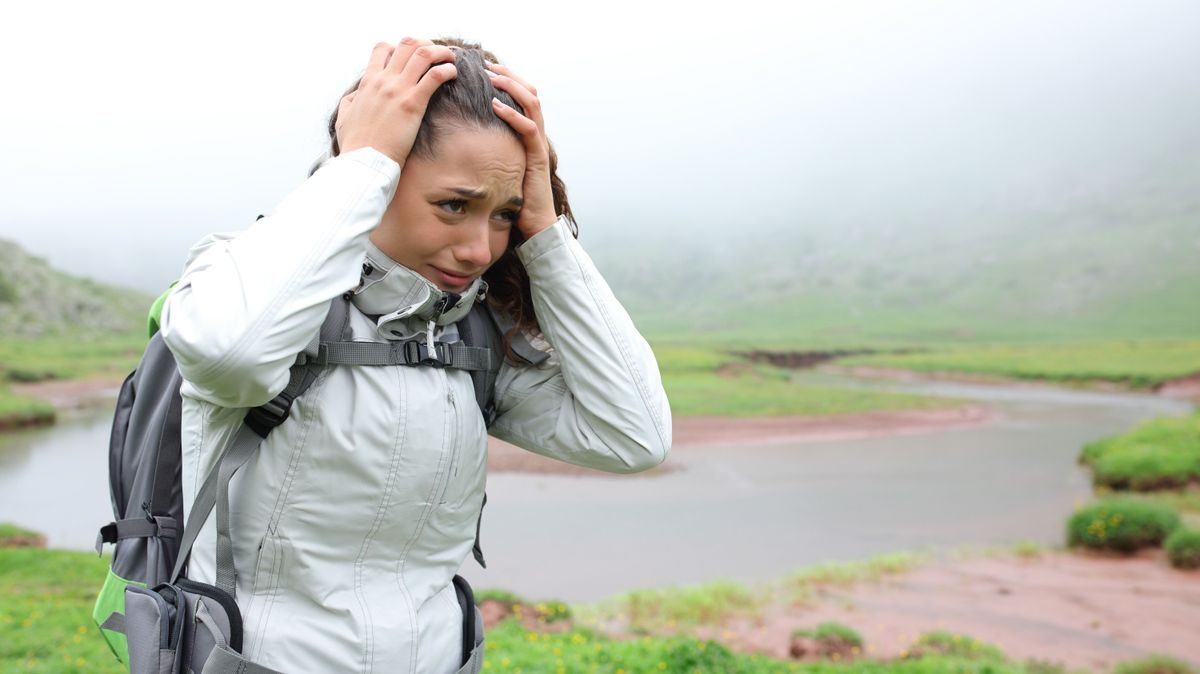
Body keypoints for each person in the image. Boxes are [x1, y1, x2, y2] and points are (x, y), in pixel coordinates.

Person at [159, 36, 672, 673]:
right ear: (380, 178)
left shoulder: (471, 335)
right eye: (453, 205)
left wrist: (546, 233)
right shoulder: (242, 282)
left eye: (502, 215)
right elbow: (229, 355)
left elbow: (636, 435)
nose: (480, 249)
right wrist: (362, 161)